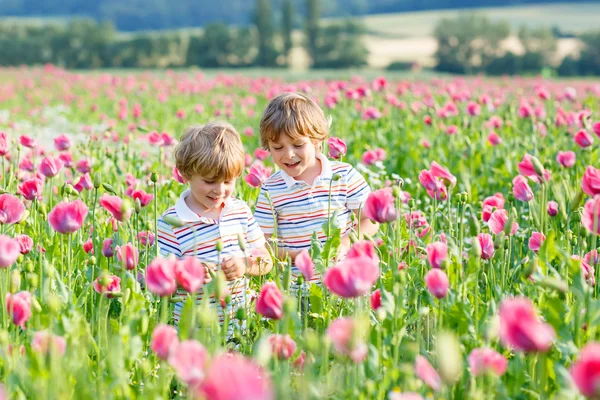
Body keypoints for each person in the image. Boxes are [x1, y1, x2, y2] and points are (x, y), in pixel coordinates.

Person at [254, 92, 378, 290]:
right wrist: (297, 256)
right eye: (278, 147)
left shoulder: (343, 175)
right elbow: (264, 243)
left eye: (298, 145)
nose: (289, 154)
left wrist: (345, 243)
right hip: (295, 287)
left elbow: (369, 220)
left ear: (317, 141)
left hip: (346, 281)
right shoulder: (271, 189)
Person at [157, 121, 272, 335]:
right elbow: (160, 278)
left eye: (228, 182)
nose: (220, 190)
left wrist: (245, 265)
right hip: (192, 330)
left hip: (238, 328)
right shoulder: (171, 222)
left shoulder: (240, 211)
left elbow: (266, 261)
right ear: (186, 174)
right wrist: (188, 277)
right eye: (210, 181)